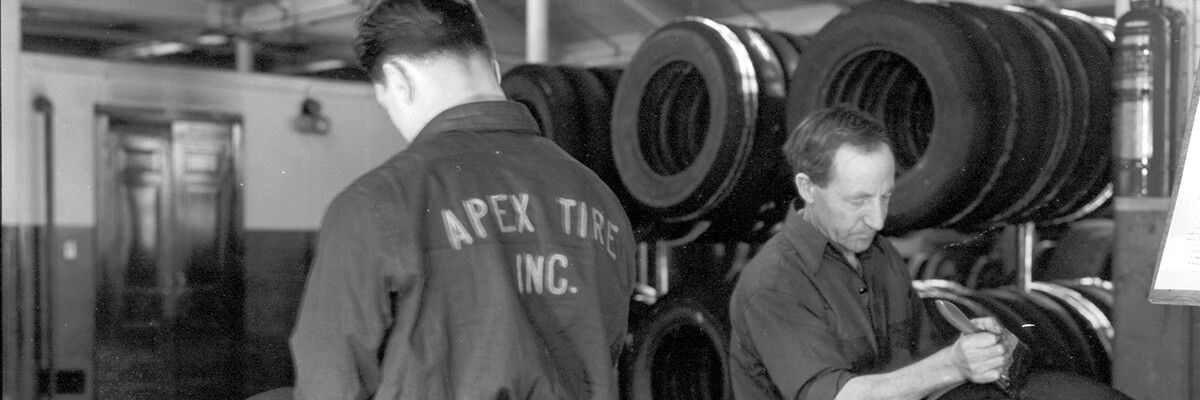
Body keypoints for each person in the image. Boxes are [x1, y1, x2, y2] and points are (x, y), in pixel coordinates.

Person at [288, 1, 635, 399]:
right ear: (494, 68)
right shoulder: (600, 198)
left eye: (388, 105)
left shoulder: (373, 205)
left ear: (399, 80)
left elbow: (330, 386)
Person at [727, 105, 1130, 400]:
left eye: (885, 196)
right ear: (808, 188)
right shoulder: (775, 282)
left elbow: (917, 363)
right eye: (858, 201)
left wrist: (975, 347)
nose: (878, 219)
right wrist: (952, 365)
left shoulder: (877, 253)